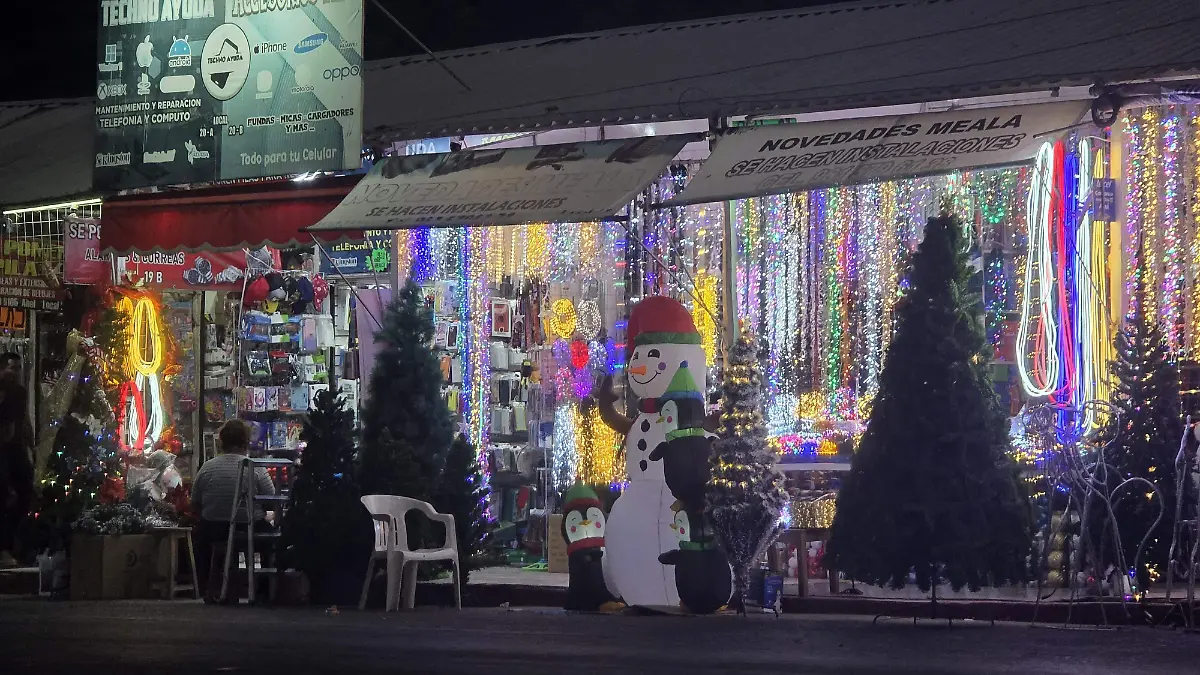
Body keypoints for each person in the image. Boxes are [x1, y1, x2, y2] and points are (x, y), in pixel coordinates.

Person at [190, 420, 276, 601]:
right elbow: (271, 498)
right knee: (272, 539)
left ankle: (211, 587)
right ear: (246, 441)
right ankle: (265, 590)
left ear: (222, 441)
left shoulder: (208, 467)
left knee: (201, 536)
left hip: (213, 529)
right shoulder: (255, 467)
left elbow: (195, 502)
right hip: (248, 527)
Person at [0, 378, 33, 569]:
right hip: (6, 450)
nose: (15, 372)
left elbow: (20, 424)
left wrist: (30, 445)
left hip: (14, 450)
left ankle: (11, 546)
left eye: (18, 368)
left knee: (23, 493)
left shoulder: (17, 393)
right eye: (11, 368)